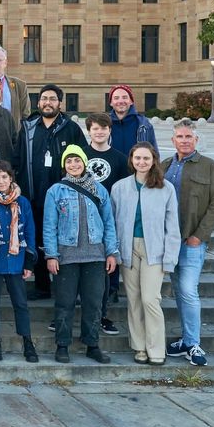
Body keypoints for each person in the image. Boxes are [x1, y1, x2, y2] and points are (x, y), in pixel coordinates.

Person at [43, 144, 119, 364]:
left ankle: (92, 344)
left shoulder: (99, 190)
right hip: (66, 256)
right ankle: (62, 344)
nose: (73, 164)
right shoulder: (56, 191)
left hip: (95, 255)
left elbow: (109, 223)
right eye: (69, 161)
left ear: (84, 163)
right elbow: (49, 226)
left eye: (77, 160)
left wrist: (111, 252)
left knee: (93, 303)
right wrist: (51, 255)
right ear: (64, 165)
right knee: (64, 302)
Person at [162, 119, 214, 367]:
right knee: (179, 291)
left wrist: (200, 234)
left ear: (196, 140)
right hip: (168, 241)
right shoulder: (165, 165)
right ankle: (186, 340)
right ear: (173, 140)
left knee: (188, 291)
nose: (184, 140)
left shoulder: (210, 166)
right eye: (180, 136)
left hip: (192, 241)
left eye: (188, 136)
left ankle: (193, 343)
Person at [111, 142, 180, 366]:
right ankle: (139, 347)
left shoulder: (166, 188)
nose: (141, 162)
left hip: (154, 249)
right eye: (138, 158)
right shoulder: (120, 187)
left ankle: (156, 348)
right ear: (131, 160)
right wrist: (113, 251)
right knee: (134, 300)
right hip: (128, 248)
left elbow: (172, 226)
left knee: (150, 299)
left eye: (146, 158)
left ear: (153, 161)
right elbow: (112, 221)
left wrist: (169, 258)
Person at [20, 84, 87, 298]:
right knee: (39, 241)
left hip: (65, 199)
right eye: (44, 99)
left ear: (60, 103)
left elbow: (82, 161)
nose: (47, 103)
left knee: (64, 242)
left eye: (52, 99)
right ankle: (42, 286)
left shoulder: (71, 128)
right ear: (38, 102)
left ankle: (65, 288)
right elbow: (19, 160)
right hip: (34, 197)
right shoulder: (28, 128)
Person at [0, 161, 38, 363]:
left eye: (4, 177)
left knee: (20, 303)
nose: (1, 181)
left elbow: (30, 231)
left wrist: (29, 262)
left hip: (16, 260)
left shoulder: (22, 202)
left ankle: (27, 341)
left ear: (11, 178)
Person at [83, 111, 129, 334]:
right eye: (95, 128)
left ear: (110, 130)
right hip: (83, 220)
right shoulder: (81, 155)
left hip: (110, 218)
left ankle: (105, 311)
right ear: (89, 131)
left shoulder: (120, 159)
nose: (99, 132)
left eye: (103, 128)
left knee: (109, 264)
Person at [107, 84, 158, 156]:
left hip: (137, 163)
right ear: (111, 103)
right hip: (111, 163)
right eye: (116, 98)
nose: (120, 101)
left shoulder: (144, 124)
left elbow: (154, 152)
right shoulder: (104, 123)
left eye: (124, 97)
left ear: (131, 101)